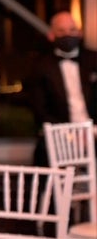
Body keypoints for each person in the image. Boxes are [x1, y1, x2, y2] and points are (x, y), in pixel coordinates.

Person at [25, 10, 97, 167]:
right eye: (61, 31)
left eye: (72, 30)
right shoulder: (40, 67)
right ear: (51, 35)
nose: (67, 35)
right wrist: (70, 135)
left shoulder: (94, 60)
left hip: (94, 132)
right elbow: (40, 111)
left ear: (80, 33)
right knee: (44, 153)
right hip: (60, 135)